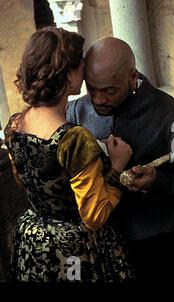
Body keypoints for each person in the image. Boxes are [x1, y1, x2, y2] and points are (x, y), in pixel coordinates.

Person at [66, 37, 174, 283]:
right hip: (97, 251)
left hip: (157, 253)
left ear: (132, 77)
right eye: (92, 89)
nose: (99, 99)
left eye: (110, 91)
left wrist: (157, 182)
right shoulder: (75, 112)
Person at [4, 27, 134, 281]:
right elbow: (95, 216)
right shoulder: (73, 139)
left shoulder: (15, 125)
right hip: (75, 250)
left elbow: (26, 181)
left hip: (34, 244)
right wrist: (117, 168)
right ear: (67, 76)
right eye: (80, 65)